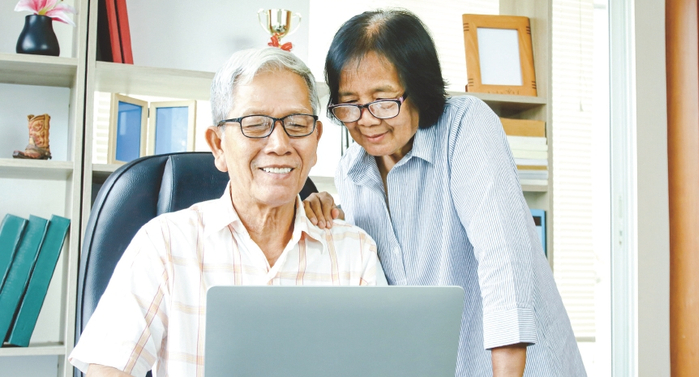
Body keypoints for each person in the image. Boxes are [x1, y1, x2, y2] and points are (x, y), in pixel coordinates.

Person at [69, 47, 387, 377]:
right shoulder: (164, 244)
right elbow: (108, 370)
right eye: (254, 124)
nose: (279, 144)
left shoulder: (355, 252)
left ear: (316, 139)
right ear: (218, 145)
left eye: (296, 123)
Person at [304, 9, 586, 376]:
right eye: (350, 104)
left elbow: (504, 263)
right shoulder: (350, 170)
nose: (367, 119)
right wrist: (329, 210)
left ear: (417, 88)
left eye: (383, 99)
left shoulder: (465, 126)